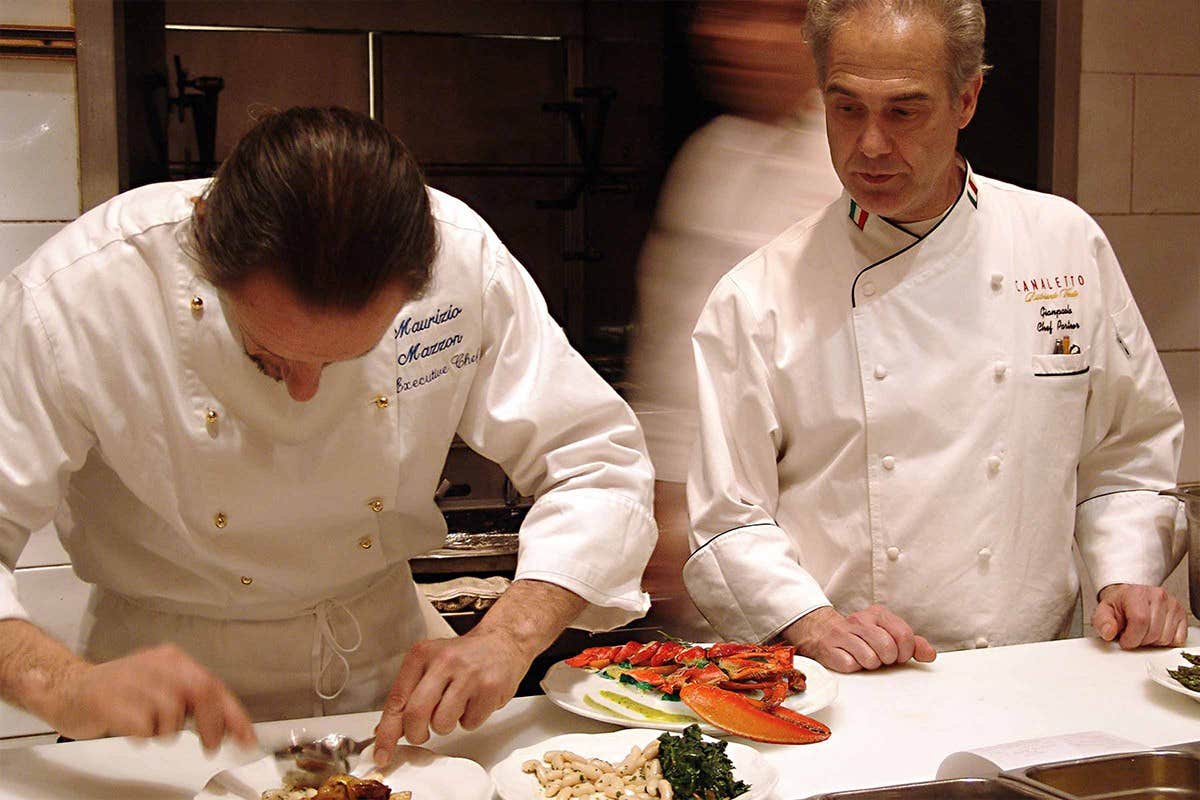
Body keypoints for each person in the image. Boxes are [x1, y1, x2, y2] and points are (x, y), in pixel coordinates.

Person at [0, 107, 657, 763]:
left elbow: (598, 464)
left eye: (343, 360)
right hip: (156, 716)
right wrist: (64, 687)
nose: (305, 391)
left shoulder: (462, 263)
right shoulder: (77, 297)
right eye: (268, 358)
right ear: (203, 240)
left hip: (385, 696)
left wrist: (511, 636)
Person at [683, 0, 1188, 673]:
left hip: (1042, 672)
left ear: (966, 99)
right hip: (858, 686)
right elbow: (727, 518)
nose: (868, 145)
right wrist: (811, 624)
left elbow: (1126, 453)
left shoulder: (1062, 247)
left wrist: (1125, 574)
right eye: (846, 108)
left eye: (903, 111)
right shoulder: (756, 298)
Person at [626, 0, 842, 640]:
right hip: (702, 544)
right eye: (717, 13)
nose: (722, 34)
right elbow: (672, 358)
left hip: (817, 548)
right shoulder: (713, 156)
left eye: (761, 14)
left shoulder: (854, 170)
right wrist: (661, 505)